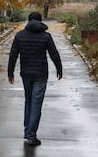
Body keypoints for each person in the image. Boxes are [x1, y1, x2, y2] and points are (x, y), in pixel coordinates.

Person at [7, 11, 63, 146]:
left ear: (28, 20)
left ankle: (28, 131)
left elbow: (13, 55)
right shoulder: (46, 36)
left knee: (28, 101)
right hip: (40, 74)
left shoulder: (20, 36)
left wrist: (10, 73)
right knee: (36, 103)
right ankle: (32, 136)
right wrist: (59, 69)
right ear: (40, 21)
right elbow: (54, 54)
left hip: (26, 74)